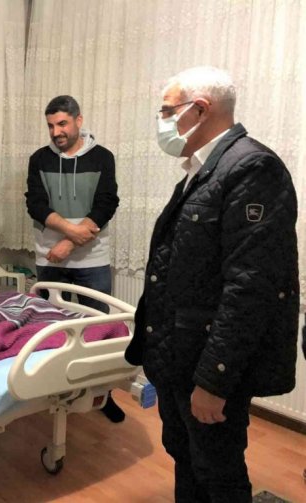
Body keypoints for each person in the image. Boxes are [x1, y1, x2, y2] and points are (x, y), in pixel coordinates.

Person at [125, 66, 299, 502]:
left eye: (168, 111)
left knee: (217, 471)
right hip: (178, 355)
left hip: (206, 364)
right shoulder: (203, 169)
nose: (162, 121)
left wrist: (214, 381)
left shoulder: (252, 168)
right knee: (185, 455)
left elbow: (250, 289)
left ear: (200, 110)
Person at [25, 94, 124, 423]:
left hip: (92, 259)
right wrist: (70, 232)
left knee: (97, 329)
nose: (56, 132)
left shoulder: (103, 157)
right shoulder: (39, 159)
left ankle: (101, 393)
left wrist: (70, 242)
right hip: (50, 258)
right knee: (51, 326)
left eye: (62, 124)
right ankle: (51, 391)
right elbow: (36, 204)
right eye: (51, 126)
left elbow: (106, 203)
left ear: (79, 121)